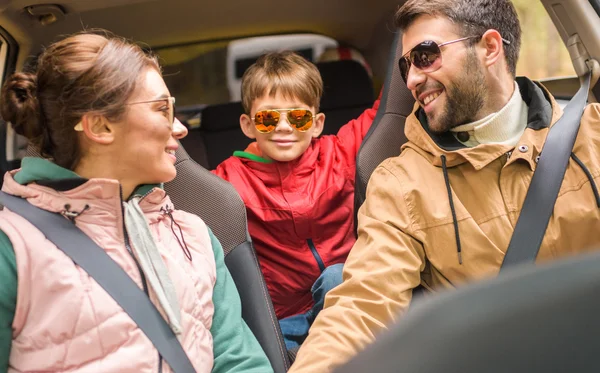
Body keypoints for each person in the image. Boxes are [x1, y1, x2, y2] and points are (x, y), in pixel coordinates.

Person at [288, 0, 600, 371]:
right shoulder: (401, 184)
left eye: (425, 55)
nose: (411, 80)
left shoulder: (592, 135)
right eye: (406, 65)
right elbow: (361, 307)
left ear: (489, 48)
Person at [0, 31, 273, 373]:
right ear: (100, 125)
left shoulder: (195, 236)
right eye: (162, 109)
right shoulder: (10, 247)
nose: (180, 128)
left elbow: (239, 360)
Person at [212, 51, 380, 349]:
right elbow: (175, 182)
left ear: (316, 123)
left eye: (298, 116)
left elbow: (391, 111)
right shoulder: (227, 181)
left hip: (347, 299)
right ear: (248, 124)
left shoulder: (339, 154)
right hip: (282, 320)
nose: (284, 127)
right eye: (268, 117)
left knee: (336, 276)